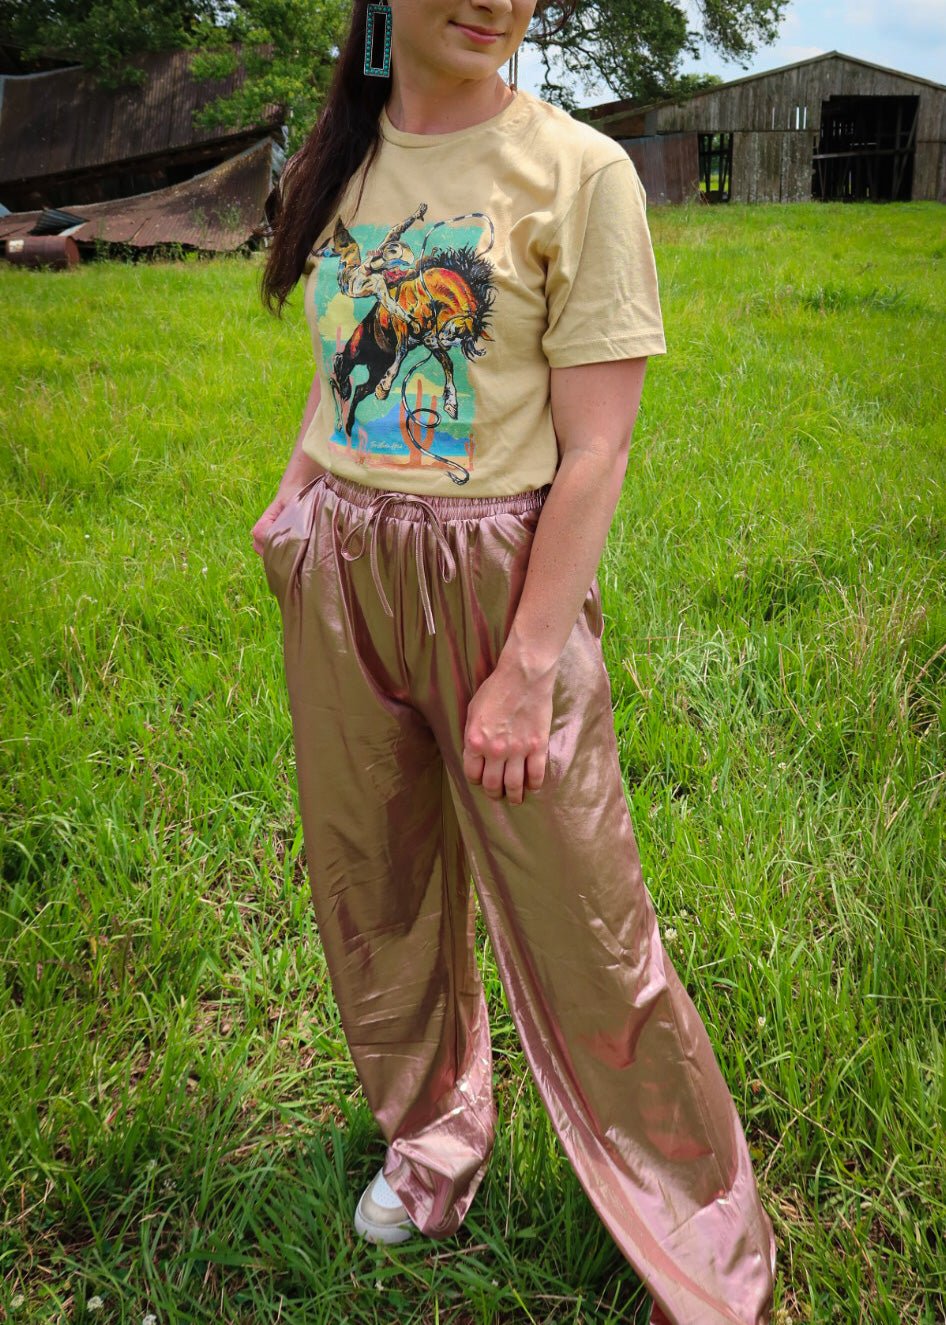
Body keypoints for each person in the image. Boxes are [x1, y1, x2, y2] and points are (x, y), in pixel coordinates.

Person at [252, 1, 777, 1321]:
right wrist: (293, 500)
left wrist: (527, 663)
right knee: (373, 882)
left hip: (498, 577)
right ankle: (430, 1140)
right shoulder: (343, 154)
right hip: (341, 565)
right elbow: (341, 358)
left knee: (583, 917)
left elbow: (597, 446)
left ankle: (691, 1216)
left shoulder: (578, 172)